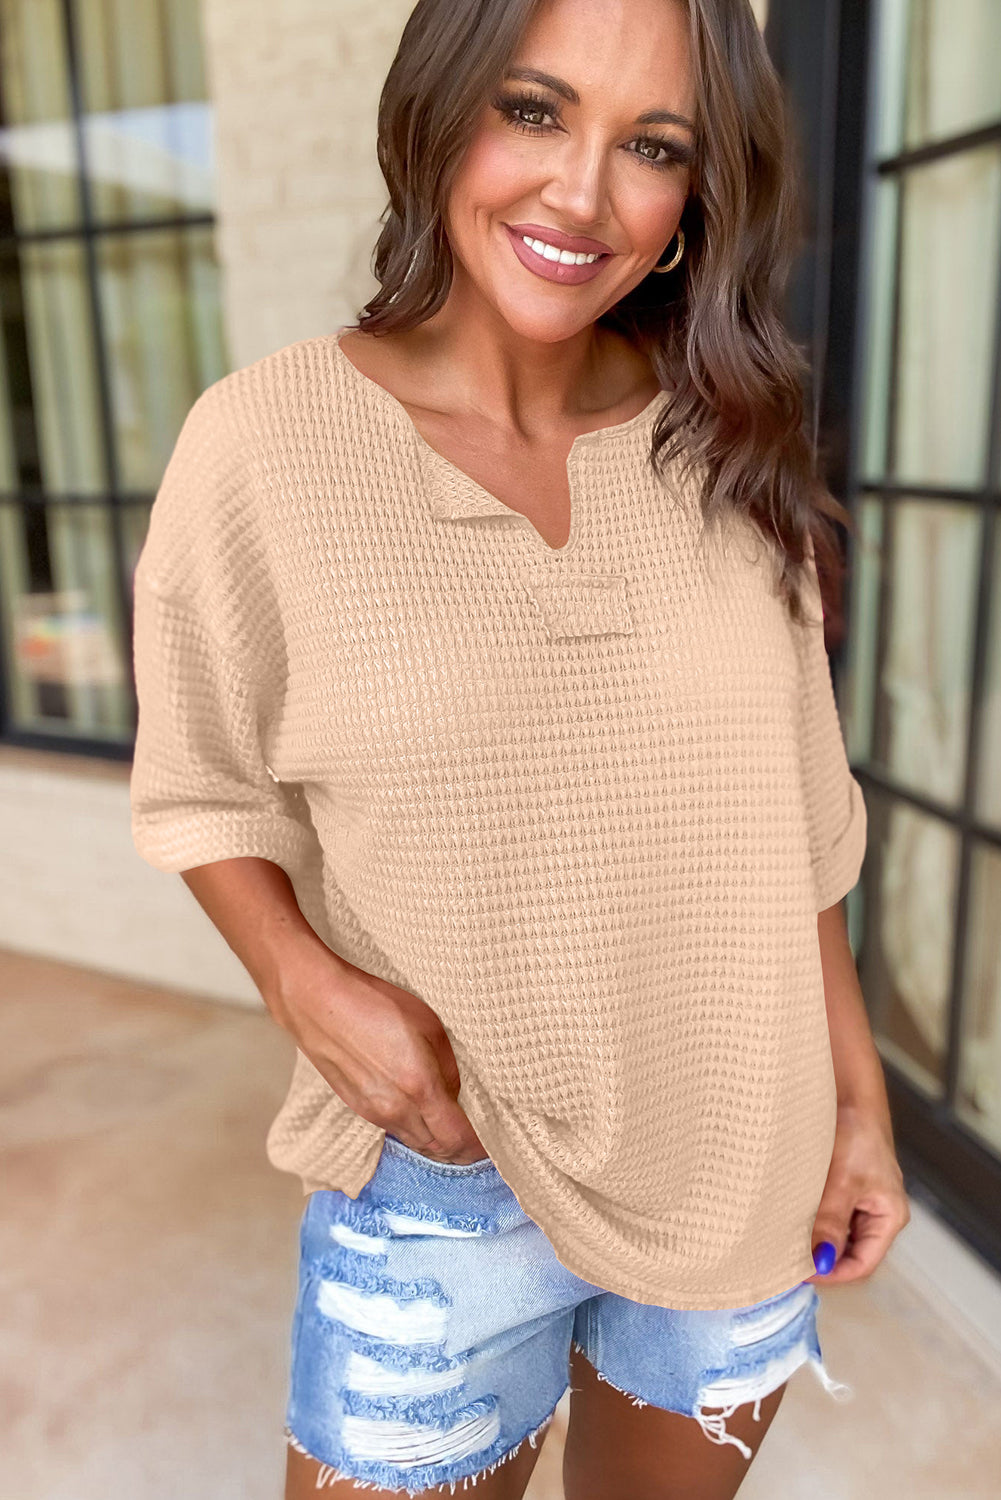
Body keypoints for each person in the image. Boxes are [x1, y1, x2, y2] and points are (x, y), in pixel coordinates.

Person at [129, 0, 911, 1495]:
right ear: (440, 110)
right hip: (443, 1172)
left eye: (653, 146)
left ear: (696, 197)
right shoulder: (263, 445)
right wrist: (302, 985)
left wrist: (859, 1107)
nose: (581, 192)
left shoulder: (724, 443)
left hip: (742, 1152)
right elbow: (205, 784)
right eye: (533, 110)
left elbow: (794, 831)